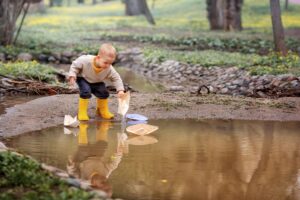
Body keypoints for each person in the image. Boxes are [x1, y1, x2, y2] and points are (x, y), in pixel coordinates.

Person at [67, 121, 127, 197]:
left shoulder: (83, 179)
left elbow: (72, 172)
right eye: (107, 181)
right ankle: (102, 124)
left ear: (93, 185)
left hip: (83, 157)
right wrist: (118, 153)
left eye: (103, 182)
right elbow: (114, 163)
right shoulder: (105, 174)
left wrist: (71, 164)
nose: (105, 179)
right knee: (103, 144)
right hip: (97, 155)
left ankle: (82, 126)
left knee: (83, 150)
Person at [68, 43, 125, 120]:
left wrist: (120, 90)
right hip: (83, 78)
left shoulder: (109, 68)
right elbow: (75, 66)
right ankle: (82, 112)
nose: (108, 65)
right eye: (105, 62)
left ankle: (102, 110)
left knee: (104, 93)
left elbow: (116, 78)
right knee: (85, 91)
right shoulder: (85, 60)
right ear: (98, 58)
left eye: (110, 63)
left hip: (97, 81)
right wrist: (72, 75)